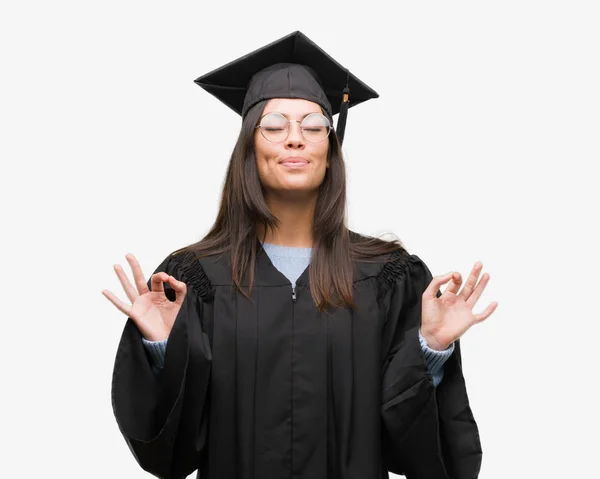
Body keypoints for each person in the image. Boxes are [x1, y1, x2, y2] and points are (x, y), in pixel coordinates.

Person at [103, 31, 497, 479]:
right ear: (250, 146)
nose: (295, 139)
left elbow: (415, 450)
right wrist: (165, 351)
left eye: (313, 126)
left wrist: (430, 349)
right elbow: (172, 455)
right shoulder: (195, 280)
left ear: (330, 148)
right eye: (274, 126)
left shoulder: (389, 276)